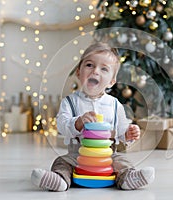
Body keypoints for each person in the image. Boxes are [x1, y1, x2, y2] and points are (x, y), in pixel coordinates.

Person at [31, 42, 155, 191]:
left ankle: (128, 178)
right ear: (78, 72)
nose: (95, 71)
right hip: (77, 156)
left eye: (104, 69)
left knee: (122, 161)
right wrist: (78, 122)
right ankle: (60, 180)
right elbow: (62, 125)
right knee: (61, 161)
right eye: (89, 65)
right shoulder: (70, 102)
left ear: (111, 82)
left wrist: (128, 133)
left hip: (107, 157)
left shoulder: (115, 105)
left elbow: (121, 131)